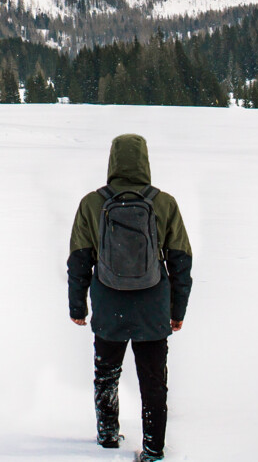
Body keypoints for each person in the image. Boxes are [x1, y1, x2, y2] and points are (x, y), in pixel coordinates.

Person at [67, 134, 193, 462]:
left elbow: (79, 259)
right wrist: (177, 310)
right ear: (144, 161)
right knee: (153, 382)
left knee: (106, 373)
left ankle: (107, 436)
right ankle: (153, 449)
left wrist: (78, 306)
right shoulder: (163, 203)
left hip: (109, 305)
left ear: (112, 161)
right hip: (152, 307)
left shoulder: (92, 203)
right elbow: (181, 260)